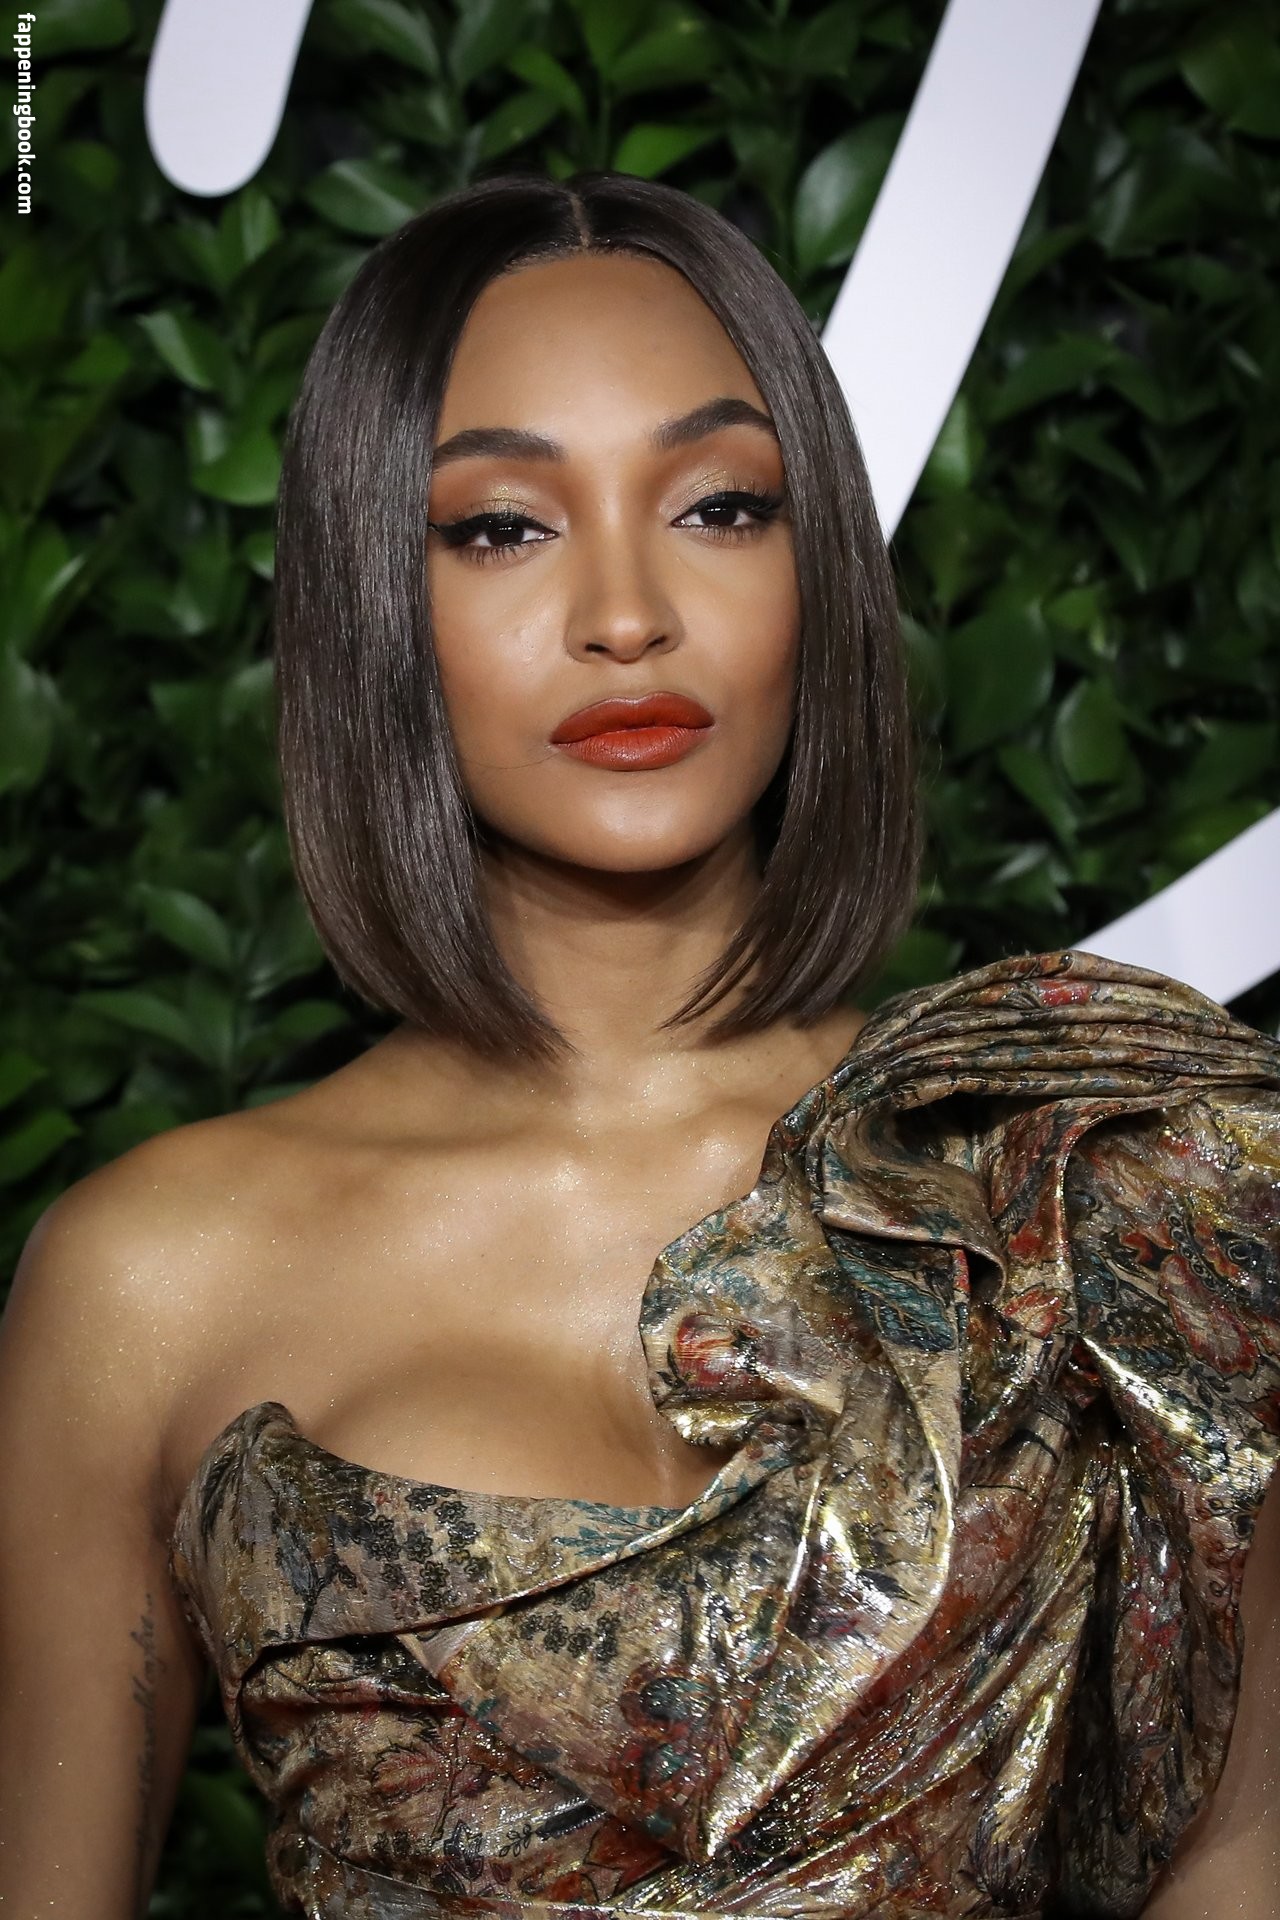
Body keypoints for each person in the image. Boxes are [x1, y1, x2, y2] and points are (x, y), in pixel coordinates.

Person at [0, 170, 1276, 1920]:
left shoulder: (1087, 1177)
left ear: (818, 566)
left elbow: (1242, 1853)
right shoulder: (147, 1281)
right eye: (501, 527)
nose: (624, 613)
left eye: (719, 506)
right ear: (376, 600)